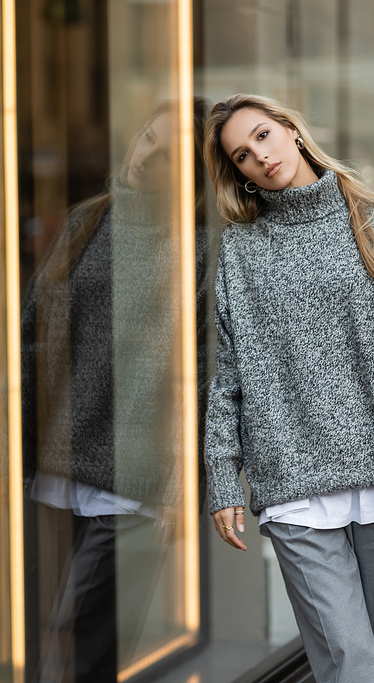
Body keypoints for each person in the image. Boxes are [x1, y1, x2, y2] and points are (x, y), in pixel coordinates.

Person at [203, 93, 374, 683]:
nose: (258, 157)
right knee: (352, 667)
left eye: (262, 136)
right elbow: (230, 372)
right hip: (292, 487)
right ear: (239, 173)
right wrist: (220, 471)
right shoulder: (242, 249)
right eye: (241, 154)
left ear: (290, 129)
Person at [21, 99, 209, 682]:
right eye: (147, 138)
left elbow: (201, 376)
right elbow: (33, 338)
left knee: (82, 654)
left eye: (169, 154)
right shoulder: (87, 220)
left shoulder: (201, 249)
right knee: (36, 645)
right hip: (55, 468)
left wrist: (182, 482)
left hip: (135, 487)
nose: (147, 157)